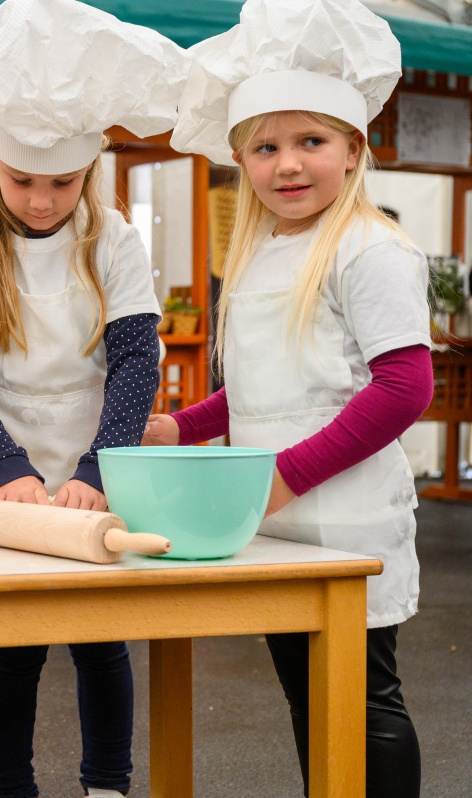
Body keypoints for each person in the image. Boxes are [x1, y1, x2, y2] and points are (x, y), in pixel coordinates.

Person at [153, 1, 430, 795]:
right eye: (266, 147)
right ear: (241, 160)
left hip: (343, 519)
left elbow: (404, 388)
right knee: (309, 701)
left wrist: (287, 475)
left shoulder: (369, 248)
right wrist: (183, 424)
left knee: (367, 703)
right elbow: (265, 390)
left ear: (353, 148)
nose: (288, 165)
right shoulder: (266, 250)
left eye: (310, 141)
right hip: (274, 516)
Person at [0, 2, 186, 796]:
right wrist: (6, 467)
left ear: (90, 173)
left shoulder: (114, 241)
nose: (40, 201)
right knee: (18, 642)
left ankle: (106, 784)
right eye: (22, 181)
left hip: (94, 462)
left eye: (61, 183)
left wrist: (95, 469)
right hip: (5, 464)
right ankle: (12, 789)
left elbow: (137, 362)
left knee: (101, 642)